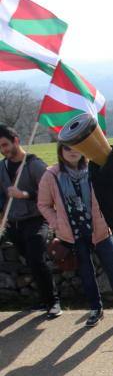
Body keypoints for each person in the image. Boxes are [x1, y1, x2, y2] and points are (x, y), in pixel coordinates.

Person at [38, 143, 113, 326]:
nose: (72, 151)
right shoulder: (51, 175)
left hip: (100, 228)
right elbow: (43, 204)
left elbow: (111, 191)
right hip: (74, 233)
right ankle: (96, 309)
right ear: (60, 151)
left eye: (76, 147)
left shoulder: (95, 168)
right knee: (86, 273)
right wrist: (57, 223)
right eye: (67, 148)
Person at [0, 124, 61, 318]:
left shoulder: (34, 164)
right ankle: (45, 300)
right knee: (32, 262)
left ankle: (53, 302)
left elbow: (50, 193)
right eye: (0, 147)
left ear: (16, 140)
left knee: (36, 259)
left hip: (36, 220)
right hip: (13, 223)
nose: (4, 150)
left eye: (5, 144)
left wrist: (24, 194)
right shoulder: (2, 167)